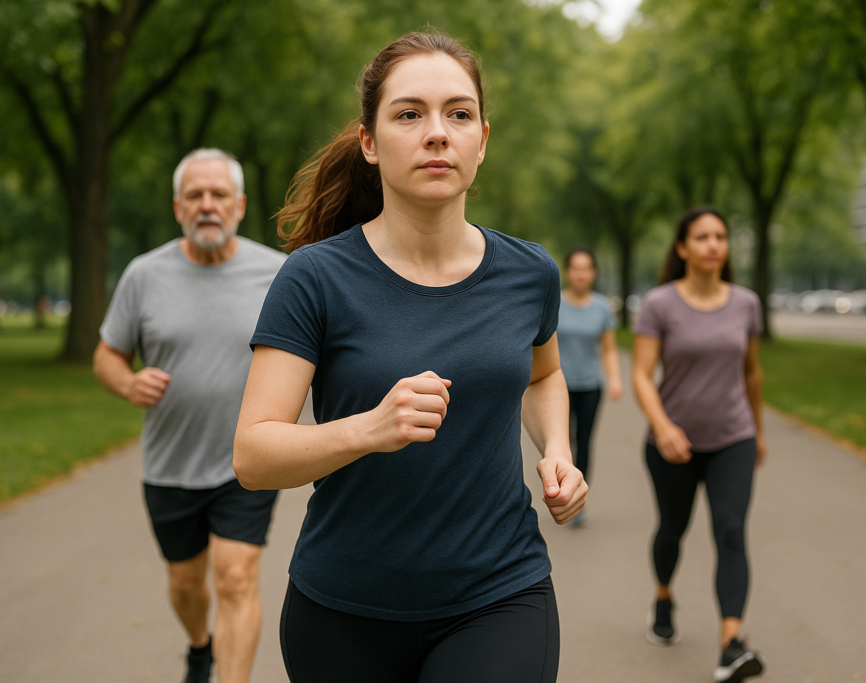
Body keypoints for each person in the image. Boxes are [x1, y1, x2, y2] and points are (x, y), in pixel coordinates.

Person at [232, 31, 587, 683]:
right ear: (369, 142)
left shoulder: (529, 271)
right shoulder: (313, 278)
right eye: (408, 113)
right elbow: (253, 455)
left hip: (499, 594)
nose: (437, 133)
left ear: (483, 138)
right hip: (343, 611)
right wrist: (369, 428)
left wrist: (557, 449)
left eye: (458, 113)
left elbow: (545, 375)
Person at [93, 149, 285, 683]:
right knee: (185, 584)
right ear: (178, 207)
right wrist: (127, 381)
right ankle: (200, 646)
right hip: (170, 464)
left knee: (236, 578)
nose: (207, 205)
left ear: (240, 205)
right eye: (195, 196)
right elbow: (107, 354)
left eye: (218, 194)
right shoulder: (144, 275)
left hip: (247, 459)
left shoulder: (278, 273)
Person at [631, 206, 767, 682]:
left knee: (731, 532)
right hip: (674, 445)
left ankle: (731, 644)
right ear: (683, 248)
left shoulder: (746, 303)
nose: (713, 244)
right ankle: (663, 596)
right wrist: (663, 426)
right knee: (673, 530)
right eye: (703, 236)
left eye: (721, 236)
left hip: (734, 438)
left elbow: (751, 372)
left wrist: (759, 431)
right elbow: (642, 376)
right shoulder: (660, 304)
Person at [557, 246, 622, 527]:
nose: (580, 274)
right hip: (558, 386)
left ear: (593, 273)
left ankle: (578, 500)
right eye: (575, 268)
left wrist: (615, 377)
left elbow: (608, 348)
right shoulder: (554, 302)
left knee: (583, 442)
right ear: (568, 271)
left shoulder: (601, 308)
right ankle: (560, 491)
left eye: (586, 268)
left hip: (590, 387)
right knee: (562, 443)